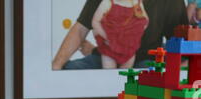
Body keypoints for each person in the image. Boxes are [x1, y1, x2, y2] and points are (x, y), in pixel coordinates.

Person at [52, 0, 189, 70]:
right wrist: (56, 67)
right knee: (69, 70)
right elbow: (80, 29)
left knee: (147, 77)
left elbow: (181, 44)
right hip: (105, 55)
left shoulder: (169, 2)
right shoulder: (107, 3)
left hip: (146, 60)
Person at [92, 0, 149, 69]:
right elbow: (95, 22)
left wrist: (134, 36)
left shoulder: (136, 2)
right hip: (110, 47)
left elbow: (145, 21)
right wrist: (107, 37)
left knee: (126, 74)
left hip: (128, 48)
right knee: (109, 73)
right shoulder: (108, 2)